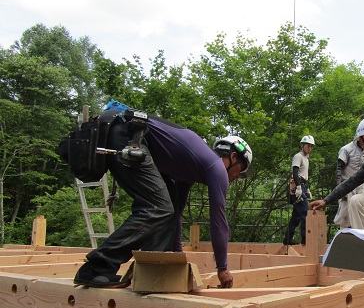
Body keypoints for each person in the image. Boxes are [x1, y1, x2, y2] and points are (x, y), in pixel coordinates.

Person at [73, 100, 252, 289]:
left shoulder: (191, 169)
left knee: (166, 209)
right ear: (233, 158)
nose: (237, 178)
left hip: (125, 134)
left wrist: (177, 256)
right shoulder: (216, 168)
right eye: (240, 171)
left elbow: (176, 214)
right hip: (129, 135)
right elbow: (218, 221)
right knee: (158, 207)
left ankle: (153, 273)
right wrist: (222, 268)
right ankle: (96, 267)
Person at [283, 135, 314, 245]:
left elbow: (305, 175)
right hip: (297, 185)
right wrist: (299, 187)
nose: (309, 148)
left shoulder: (306, 159)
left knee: (296, 215)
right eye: (308, 145)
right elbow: (295, 172)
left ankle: (287, 238)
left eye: (311, 146)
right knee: (305, 213)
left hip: (303, 185)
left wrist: (307, 189)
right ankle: (305, 239)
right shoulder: (298, 156)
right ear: (302, 145)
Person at [333, 135, 364, 228]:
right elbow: (339, 169)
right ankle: (344, 236)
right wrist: (340, 187)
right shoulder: (347, 149)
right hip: (347, 183)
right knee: (345, 212)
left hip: (361, 184)